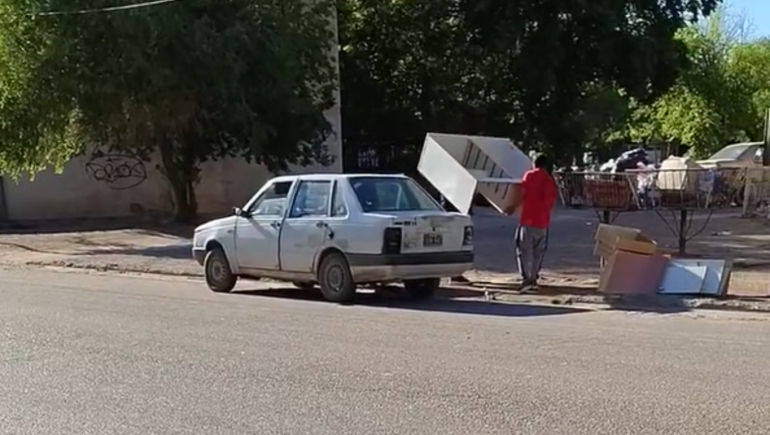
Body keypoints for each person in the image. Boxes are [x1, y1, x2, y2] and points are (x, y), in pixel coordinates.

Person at [506, 153, 558, 291]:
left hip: (528, 219)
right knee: (538, 252)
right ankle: (533, 277)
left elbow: (522, 194)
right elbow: (550, 202)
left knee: (523, 250)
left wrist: (512, 207)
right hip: (543, 222)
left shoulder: (530, 175)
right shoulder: (549, 180)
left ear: (535, 163)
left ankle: (526, 278)